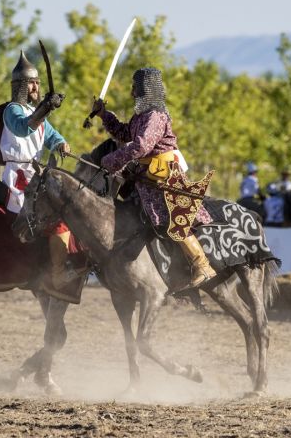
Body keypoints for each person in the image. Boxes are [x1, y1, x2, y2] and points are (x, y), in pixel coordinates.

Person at [92, 67, 216, 288]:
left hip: (165, 175)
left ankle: (202, 265)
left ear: (145, 89)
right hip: (144, 175)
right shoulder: (141, 116)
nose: (132, 92)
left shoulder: (156, 117)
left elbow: (141, 146)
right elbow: (123, 133)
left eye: (134, 87)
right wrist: (104, 115)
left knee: (174, 218)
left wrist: (111, 160)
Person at [0, 51, 78, 301]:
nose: (36, 86)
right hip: (18, 175)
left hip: (37, 173)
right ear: (21, 87)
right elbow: (24, 128)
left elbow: (50, 134)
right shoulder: (12, 110)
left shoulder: (38, 115)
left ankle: (56, 269)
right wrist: (44, 108)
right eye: (31, 82)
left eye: (37, 82)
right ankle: (52, 271)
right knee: (41, 217)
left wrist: (61, 144)